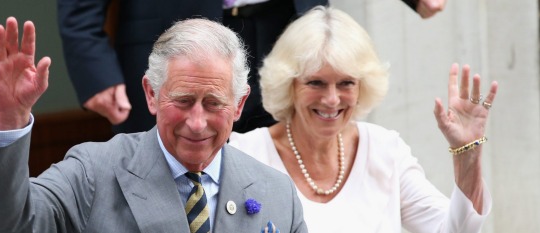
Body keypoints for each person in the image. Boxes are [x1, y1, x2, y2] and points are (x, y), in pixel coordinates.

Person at [0, 16, 337, 233]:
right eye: (183, 100)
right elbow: (4, 219)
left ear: (239, 105)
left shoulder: (271, 189)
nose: (197, 122)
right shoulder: (94, 170)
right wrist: (10, 118)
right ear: (151, 94)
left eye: (213, 103)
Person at [229, 5, 497, 233]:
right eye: (316, 82)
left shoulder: (385, 151)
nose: (331, 98)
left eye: (346, 83)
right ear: (289, 84)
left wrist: (468, 153)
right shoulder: (245, 155)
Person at [57, 0, 447, 135]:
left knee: (282, 190)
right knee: (171, 190)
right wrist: (92, 64)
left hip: (285, 32)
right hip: (180, 42)